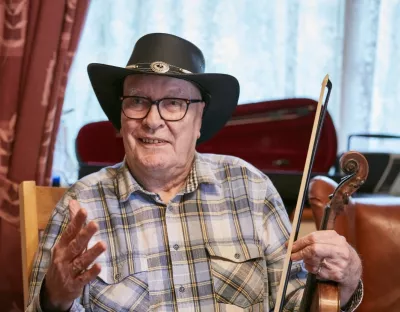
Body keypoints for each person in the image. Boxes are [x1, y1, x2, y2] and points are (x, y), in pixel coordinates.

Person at [26, 33, 363, 312]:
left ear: (199, 119)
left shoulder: (251, 189)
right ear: (122, 116)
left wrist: (345, 279)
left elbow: (294, 303)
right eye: (138, 101)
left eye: (174, 103)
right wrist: (55, 297)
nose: (153, 120)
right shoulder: (81, 204)